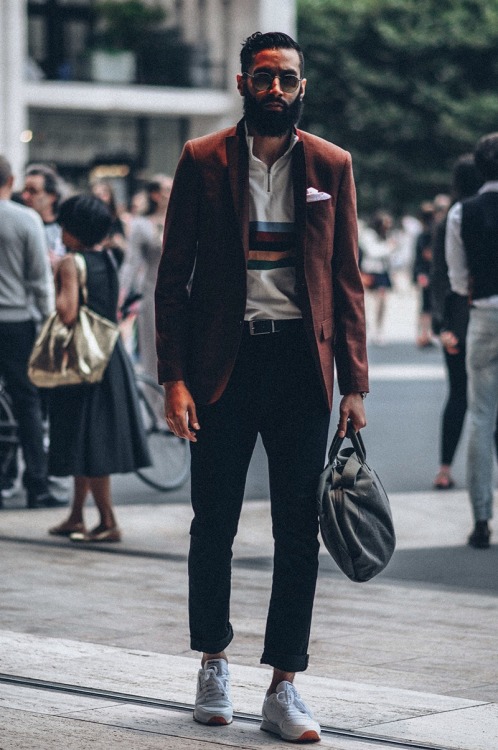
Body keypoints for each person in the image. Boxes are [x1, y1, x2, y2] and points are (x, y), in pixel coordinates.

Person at [155, 31, 368, 743]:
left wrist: (356, 385)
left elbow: (347, 279)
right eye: (264, 77)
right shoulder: (202, 159)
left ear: (301, 86)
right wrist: (173, 377)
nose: (276, 88)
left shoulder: (332, 164)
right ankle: (213, 663)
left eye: (288, 78)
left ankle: (284, 684)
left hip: (302, 372)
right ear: (244, 82)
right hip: (224, 365)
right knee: (212, 521)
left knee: (297, 534)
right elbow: (172, 278)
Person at [47, 195, 151, 542]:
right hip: (110, 357)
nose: (59, 230)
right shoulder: (107, 256)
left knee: (90, 444)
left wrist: (57, 278)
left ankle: (107, 522)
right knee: (86, 438)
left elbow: (67, 312)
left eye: (63, 225)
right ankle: (77, 516)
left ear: (73, 230)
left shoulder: (69, 262)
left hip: (83, 362)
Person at [0, 155, 65, 509]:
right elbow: (39, 279)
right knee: (27, 404)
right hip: (15, 322)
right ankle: (37, 486)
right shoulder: (25, 220)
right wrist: (47, 321)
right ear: (10, 181)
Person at [446, 133, 498, 549]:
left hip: (483, 314)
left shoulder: (462, 213)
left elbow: (458, 278)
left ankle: (482, 520)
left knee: (481, 416)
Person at [430, 155, 490, 490]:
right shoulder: (483, 216)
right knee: (488, 402)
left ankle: (444, 468)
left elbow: (439, 276)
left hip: (457, 321)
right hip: (479, 316)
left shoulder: (449, 220)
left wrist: (441, 324)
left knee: (457, 395)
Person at [126, 175, 173, 378]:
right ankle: (155, 407)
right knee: (153, 354)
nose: (172, 192)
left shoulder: (185, 218)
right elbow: (131, 263)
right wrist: (121, 294)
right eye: (167, 189)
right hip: (152, 293)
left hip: (185, 293)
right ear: (155, 195)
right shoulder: (141, 225)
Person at [359, 210, 397, 345]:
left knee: (382, 302)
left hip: (383, 272)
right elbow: (373, 251)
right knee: (369, 302)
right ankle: (368, 328)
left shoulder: (386, 236)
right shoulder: (369, 235)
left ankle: (379, 329)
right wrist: (389, 247)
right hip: (370, 271)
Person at [22, 164, 66, 268]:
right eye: (25, 190)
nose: (25, 196)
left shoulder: (64, 229)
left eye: (33, 191)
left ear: (52, 196)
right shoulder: (19, 226)